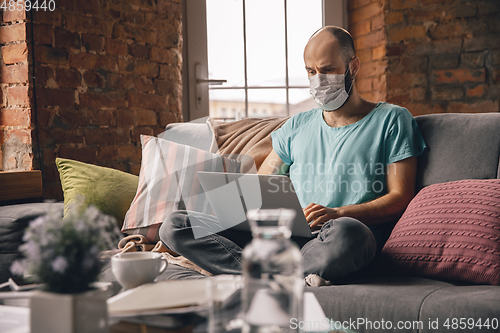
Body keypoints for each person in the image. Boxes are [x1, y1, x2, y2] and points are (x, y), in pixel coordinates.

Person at [159, 26, 427, 286]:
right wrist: (234, 205)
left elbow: (400, 197)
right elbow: (262, 188)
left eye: (328, 70)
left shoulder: (392, 119)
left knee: (350, 234)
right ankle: (279, 274)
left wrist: (337, 213)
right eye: (311, 71)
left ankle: (254, 272)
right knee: (176, 224)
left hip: (335, 238)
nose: (318, 79)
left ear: (353, 67)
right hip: (286, 234)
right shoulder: (296, 126)